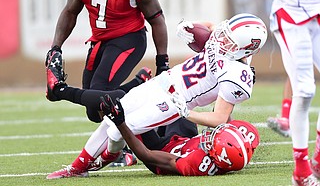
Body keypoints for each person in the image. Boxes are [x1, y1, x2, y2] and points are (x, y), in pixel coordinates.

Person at [45, 13, 267, 179]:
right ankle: (78, 167)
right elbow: (211, 27)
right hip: (162, 82)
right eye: (224, 34)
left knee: (121, 126)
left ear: (246, 49)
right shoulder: (227, 38)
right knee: (111, 118)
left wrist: (186, 112)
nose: (220, 40)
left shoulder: (238, 74)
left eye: (228, 40)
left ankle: (104, 157)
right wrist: (191, 27)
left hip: (172, 102)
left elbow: (219, 118)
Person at [45, 0, 169, 167]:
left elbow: (157, 19)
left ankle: (127, 147)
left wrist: (162, 61)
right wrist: (55, 47)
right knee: (93, 111)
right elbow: (71, 10)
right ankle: (137, 86)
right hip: (100, 40)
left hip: (129, 39)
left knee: (101, 95)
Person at [267, 0, 320, 185]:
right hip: (292, 13)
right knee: (306, 90)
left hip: (317, 10)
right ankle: (301, 171)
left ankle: (318, 157)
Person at [99, 94, 260, 176]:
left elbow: (147, 155)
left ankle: (121, 151)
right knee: (183, 100)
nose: (210, 136)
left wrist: (120, 122)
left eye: (213, 139)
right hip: (184, 141)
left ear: (216, 155)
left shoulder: (196, 163)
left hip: (161, 151)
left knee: (127, 113)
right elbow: (223, 120)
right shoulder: (236, 151)